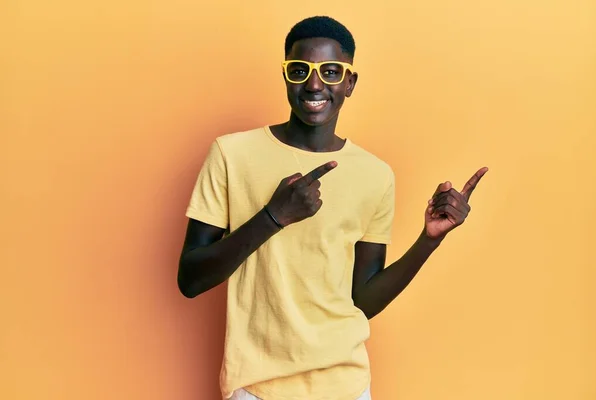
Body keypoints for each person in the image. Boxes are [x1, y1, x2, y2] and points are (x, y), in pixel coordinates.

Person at [177, 15, 488, 400]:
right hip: (257, 386)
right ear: (286, 76)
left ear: (350, 82)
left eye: (330, 71)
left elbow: (363, 301)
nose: (314, 84)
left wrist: (429, 240)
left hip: (347, 384)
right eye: (300, 70)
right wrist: (273, 217)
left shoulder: (376, 175)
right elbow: (190, 280)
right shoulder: (231, 154)